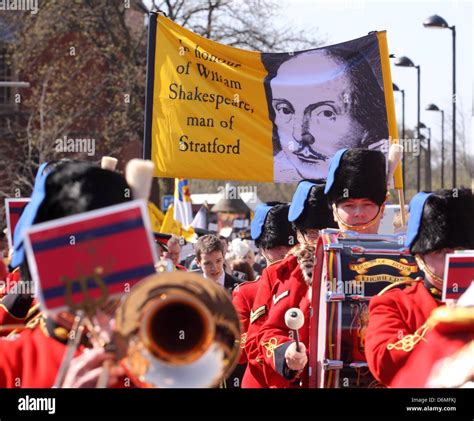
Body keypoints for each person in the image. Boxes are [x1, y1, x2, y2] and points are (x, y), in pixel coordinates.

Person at [365, 188, 474, 387]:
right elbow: (383, 362)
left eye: (461, 250)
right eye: (441, 251)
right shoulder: (393, 304)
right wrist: (448, 321)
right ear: (420, 257)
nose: (454, 259)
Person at [243, 181, 336, 387]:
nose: (321, 239)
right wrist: (285, 352)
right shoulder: (277, 275)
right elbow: (254, 342)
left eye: (327, 231)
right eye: (313, 232)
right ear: (299, 234)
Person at [262, 48, 388, 183]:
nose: (298, 135)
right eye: (285, 110)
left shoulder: (383, 172)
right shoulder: (273, 172)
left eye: (326, 113)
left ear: (366, 124)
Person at [324, 147, 388, 234]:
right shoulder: (320, 248)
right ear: (334, 211)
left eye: (367, 204)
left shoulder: (402, 247)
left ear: (382, 209)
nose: (359, 213)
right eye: (349, 205)